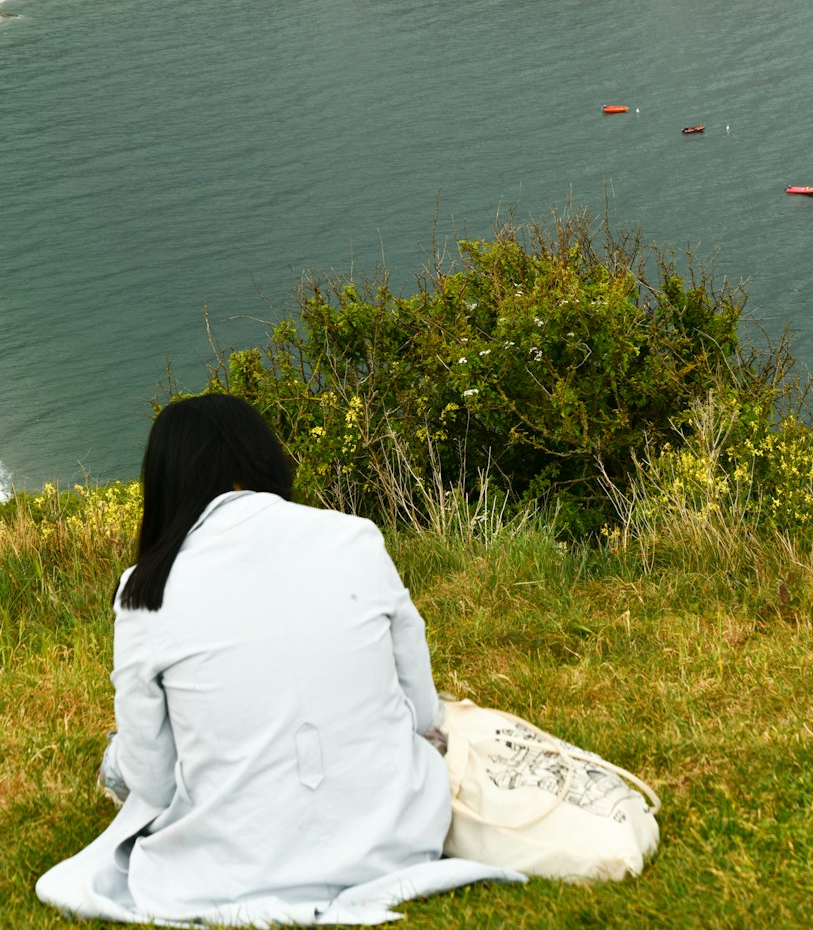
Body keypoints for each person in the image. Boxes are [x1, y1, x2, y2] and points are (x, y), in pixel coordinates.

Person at [36, 394, 522, 926]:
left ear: (166, 480)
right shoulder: (355, 536)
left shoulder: (145, 588)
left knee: (123, 758)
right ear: (262, 458)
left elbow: (152, 785)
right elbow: (425, 715)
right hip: (396, 840)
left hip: (232, 870)